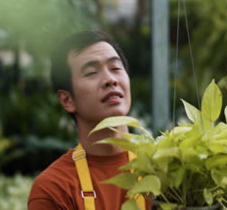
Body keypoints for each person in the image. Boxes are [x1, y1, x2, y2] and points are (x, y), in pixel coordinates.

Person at [28, 30, 150, 210]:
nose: (110, 79)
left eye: (116, 68)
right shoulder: (54, 188)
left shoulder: (165, 168)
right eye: (92, 72)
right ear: (67, 100)